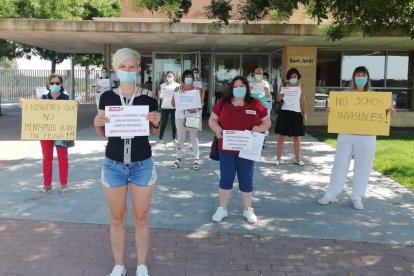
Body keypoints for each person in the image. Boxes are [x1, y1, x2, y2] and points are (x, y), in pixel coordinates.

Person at [94, 48, 160, 276]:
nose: (128, 70)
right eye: (123, 67)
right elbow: (103, 132)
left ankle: (142, 265)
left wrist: (155, 121)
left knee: (141, 217)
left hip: (142, 164)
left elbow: (152, 132)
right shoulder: (107, 97)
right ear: (115, 69)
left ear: (139, 69)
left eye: (132, 67)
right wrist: (97, 121)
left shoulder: (149, 97)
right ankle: (119, 264)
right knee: (117, 217)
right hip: (113, 165)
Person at [318, 66, 396, 210]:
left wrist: (390, 111)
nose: (360, 77)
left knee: (363, 166)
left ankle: (357, 196)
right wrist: (331, 110)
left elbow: (384, 113)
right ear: (353, 77)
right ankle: (332, 193)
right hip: (346, 134)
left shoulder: (375, 97)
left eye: (363, 74)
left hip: (367, 136)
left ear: (368, 77)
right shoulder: (344, 96)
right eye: (358, 74)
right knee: (339, 164)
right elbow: (335, 111)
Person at [209, 76, 271, 224]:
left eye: (241, 86)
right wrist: (217, 129)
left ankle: (248, 209)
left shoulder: (255, 103)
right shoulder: (223, 103)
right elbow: (212, 119)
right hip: (226, 149)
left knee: (246, 179)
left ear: (247, 88)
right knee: (226, 178)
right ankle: (222, 208)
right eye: (235, 86)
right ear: (231, 88)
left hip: (248, 150)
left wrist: (260, 128)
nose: (238, 89)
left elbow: (267, 121)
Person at [37, 74, 71, 195]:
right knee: (47, 158)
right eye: (52, 83)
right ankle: (47, 185)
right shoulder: (43, 98)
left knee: (63, 158)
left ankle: (64, 184)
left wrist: (74, 106)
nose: (55, 85)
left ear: (61, 84)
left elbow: (70, 116)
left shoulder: (66, 99)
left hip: (61, 132)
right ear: (48, 84)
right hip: (46, 132)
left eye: (57, 83)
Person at [170, 69, 204, 170]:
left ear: (193, 79)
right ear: (183, 78)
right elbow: (172, 104)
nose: (188, 78)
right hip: (180, 116)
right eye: (186, 76)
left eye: (190, 77)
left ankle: (196, 159)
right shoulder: (177, 89)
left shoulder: (197, 89)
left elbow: (201, 103)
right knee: (180, 137)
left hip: (193, 116)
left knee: (194, 137)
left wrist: (196, 108)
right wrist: (180, 96)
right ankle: (178, 158)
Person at [273, 68, 307, 166]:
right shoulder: (284, 85)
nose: (293, 78)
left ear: (298, 77)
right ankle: (278, 159)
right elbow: (278, 99)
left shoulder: (301, 86)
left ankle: (298, 159)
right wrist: (280, 95)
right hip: (284, 112)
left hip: (296, 113)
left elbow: (302, 100)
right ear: (288, 77)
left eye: (295, 76)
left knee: (296, 138)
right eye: (291, 76)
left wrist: (304, 114)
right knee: (281, 137)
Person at [157, 71, 179, 144]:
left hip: (174, 107)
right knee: (163, 123)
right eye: (168, 76)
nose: (169, 77)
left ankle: (174, 138)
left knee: (174, 123)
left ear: (173, 77)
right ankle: (160, 139)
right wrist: (160, 96)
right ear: (166, 77)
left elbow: (179, 96)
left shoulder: (177, 85)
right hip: (165, 107)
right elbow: (160, 96)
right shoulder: (162, 85)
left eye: (171, 76)